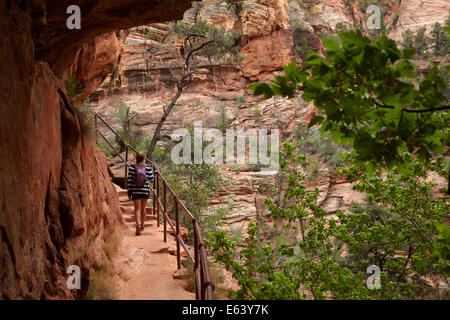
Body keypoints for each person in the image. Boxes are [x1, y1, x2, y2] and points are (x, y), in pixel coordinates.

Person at [127, 152, 157, 236]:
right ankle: (143, 225)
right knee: (143, 209)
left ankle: (138, 224)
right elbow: (151, 178)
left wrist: (129, 193)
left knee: (137, 209)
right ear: (144, 158)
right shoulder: (147, 167)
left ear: (136, 158)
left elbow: (129, 181)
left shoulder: (132, 167)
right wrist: (155, 173)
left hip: (135, 191)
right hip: (144, 190)